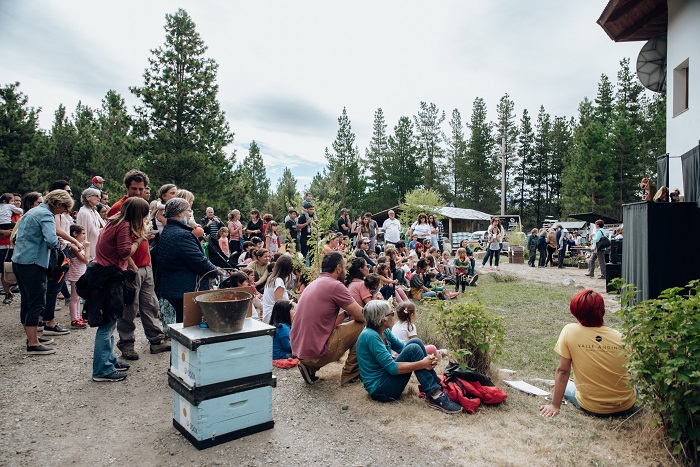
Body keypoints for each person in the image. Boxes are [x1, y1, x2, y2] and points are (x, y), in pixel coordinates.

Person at [539, 289, 637, 418]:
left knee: (569, 385)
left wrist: (555, 405)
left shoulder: (570, 331)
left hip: (591, 406)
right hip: (626, 405)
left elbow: (563, 371)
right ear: (602, 310)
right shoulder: (621, 337)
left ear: (575, 312)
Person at [356, 300, 462, 413]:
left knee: (415, 342)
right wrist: (422, 363)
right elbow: (392, 368)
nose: (393, 315)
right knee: (414, 348)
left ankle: (435, 384)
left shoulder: (383, 331)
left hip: (385, 380)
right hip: (380, 390)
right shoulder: (371, 336)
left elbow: (404, 348)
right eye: (391, 313)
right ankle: (436, 395)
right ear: (383, 320)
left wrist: (427, 359)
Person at [109, 170, 169, 359]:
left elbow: (140, 234)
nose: (137, 192)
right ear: (127, 188)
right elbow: (117, 243)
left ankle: (156, 339)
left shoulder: (141, 207)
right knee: (129, 307)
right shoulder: (119, 208)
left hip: (145, 262)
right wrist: (130, 265)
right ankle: (127, 343)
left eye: (140, 189)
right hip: (130, 266)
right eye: (133, 188)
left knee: (150, 304)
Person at [90, 196, 150, 382]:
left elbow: (118, 249)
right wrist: (140, 238)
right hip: (108, 276)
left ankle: (109, 359)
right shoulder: (124, 225)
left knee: (111, 322)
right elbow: (124, 251)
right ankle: (102, 370)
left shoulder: (114, 221)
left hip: (103, 272)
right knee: (106, 325)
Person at [12, 190, 74, 355]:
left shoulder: (33, 211)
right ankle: (33, 344)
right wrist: (61, 243)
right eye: (64, 208)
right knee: (37, 301)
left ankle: (32, 337)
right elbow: (51, 240)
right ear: (57, 203)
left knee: (27, 300)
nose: (63, 212)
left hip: (19, 261)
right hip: (33, 262)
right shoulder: (46, 215)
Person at [290, 251, 365, 385]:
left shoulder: (314, 283)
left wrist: (346, 314)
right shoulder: (335, 285)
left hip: (300, 351)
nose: (345, 271)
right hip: (315, 354)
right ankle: (350, 374)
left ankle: (310, 368)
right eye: (344, 267)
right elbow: (363, 316)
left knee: (350, 325)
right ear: (338, 268)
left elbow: (326, 324)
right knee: (363, 326)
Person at [158, 198, 219, 328]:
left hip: (175, 286)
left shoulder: (169, 230)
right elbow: (198, 260)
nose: (189, 214)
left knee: (183, 324)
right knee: (189, 327)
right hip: (184, 289)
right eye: (188, 211)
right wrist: (215, 271)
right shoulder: (181, 235)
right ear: (179, 213)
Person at [65, 224, 89, 329]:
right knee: (74, 297)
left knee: (78, 297)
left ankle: (78, 316)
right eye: (82, 233)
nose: (84, 236)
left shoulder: (77, 245)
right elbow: (85, 260)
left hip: (80, 274)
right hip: (76, 275)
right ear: (75, 234)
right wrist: (87, 248)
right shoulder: (74, 246)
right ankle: (74, 319)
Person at [262, 255, 293, 324]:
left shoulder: (272, 278)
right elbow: (279, 304)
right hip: (274, 319)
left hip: (268, 315)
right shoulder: (278, 282)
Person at [75, 188, 103, 260]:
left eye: (100, 196)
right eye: (97, 196)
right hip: (89, 254)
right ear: (88, 197)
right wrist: (84, 254)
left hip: (96, 252)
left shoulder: (94, 211)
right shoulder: (84, 213)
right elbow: (83, 235)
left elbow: (96, 230)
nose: (99, 198)